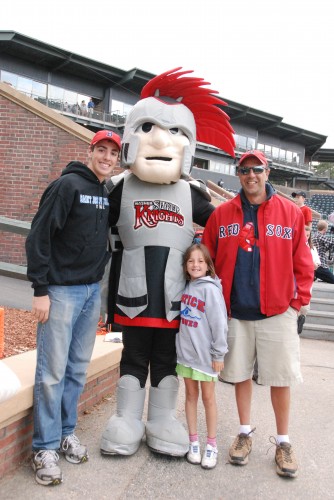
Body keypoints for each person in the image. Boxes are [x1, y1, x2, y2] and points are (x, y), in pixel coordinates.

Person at [100, 67, 235, 458]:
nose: (161, 139)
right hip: (132, 295)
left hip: (178, 301)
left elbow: (222, 224)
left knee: (166, 360)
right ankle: (126, 418)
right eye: (148, 128)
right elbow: (92, 230)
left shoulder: (190, 192)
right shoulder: (118, 187)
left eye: (175, 132)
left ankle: (160, 419)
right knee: (133, 356)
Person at [202, 149, 314, 478]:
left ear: (267, 173)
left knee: (281, 379)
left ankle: (283, 441)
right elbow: (206, 257)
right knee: (238, 376)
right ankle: (244, 432)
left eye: (257, 170)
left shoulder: (290, 213)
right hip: (236, 310)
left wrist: (298, 302)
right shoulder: (222, 214)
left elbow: (303, 263)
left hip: (278, 310)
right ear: (238, 174)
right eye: (245, 170)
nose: (251, 175)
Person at [25, 129, 121, 486]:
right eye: (102, 150)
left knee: (77, 369)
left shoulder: (104, 191)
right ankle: (44, 447)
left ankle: (66, 432)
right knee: (51, 372)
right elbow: (39, 235)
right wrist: (40, 289)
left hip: (89, 291)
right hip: (61, 292)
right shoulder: (67, 186)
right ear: (90, 151)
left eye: (113, 153)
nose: (107, 157)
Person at [176, 243, 228, 469]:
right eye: (191, 261)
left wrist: (219, 354)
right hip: (186, 355)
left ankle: (212, 444)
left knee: (208, 399)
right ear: (185, 266)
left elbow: (219, 325)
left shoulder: (210, 290)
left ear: (208, 266)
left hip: (206, 357)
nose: (195, 265)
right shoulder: (185, 287)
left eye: (200, 261)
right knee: (189, 396)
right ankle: (193, 441)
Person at [297, 225, 321, 333]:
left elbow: (316, 264)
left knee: (305, 303)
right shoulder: (295, 246)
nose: (306, 237)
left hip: (308, 278)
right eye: (304, 235)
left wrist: (308, 264)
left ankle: (302, 317)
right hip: (296, 278)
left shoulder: (312, 248)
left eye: (308, 235)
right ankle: (297, 319)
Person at [313, 219, 334, 283]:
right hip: (321, 265)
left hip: (317, 264)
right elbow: (331, 242)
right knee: (333, 280)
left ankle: (316, 275)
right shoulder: (319, 236)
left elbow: (324, 248)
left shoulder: (315, 235)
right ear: (325, 229)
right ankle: (316, 274)